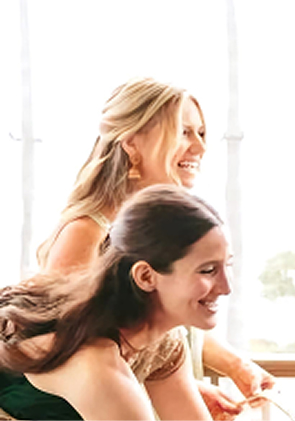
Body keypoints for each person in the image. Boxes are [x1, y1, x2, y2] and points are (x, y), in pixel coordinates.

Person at [33, 77, 273, 418]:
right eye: (183, 132)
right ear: (131, 143)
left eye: (201, 134)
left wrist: (236, 366)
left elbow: (161, 326)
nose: (200, 148)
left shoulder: (168, 237)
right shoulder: (85, 233)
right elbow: (68, 356)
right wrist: (165, 389)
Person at [0, 185, 229, 420]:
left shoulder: (164, 344)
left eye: (227, 266)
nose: (226, 287)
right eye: (208, 270)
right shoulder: (96, 365)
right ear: (146, 277)